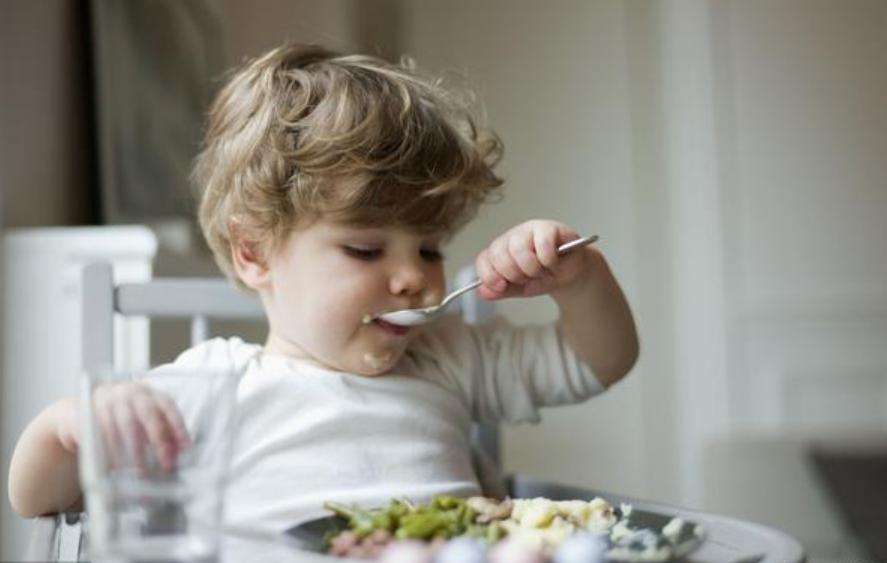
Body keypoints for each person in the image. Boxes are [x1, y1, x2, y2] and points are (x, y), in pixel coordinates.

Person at [8, 44, 638, 534]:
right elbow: (36, 497)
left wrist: (578, 280)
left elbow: (599, 361)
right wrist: (70, 426)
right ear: (253, 252)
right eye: (365, 249)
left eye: (429, 248)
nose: (414, 276)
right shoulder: (213, 387)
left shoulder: (447, 357)